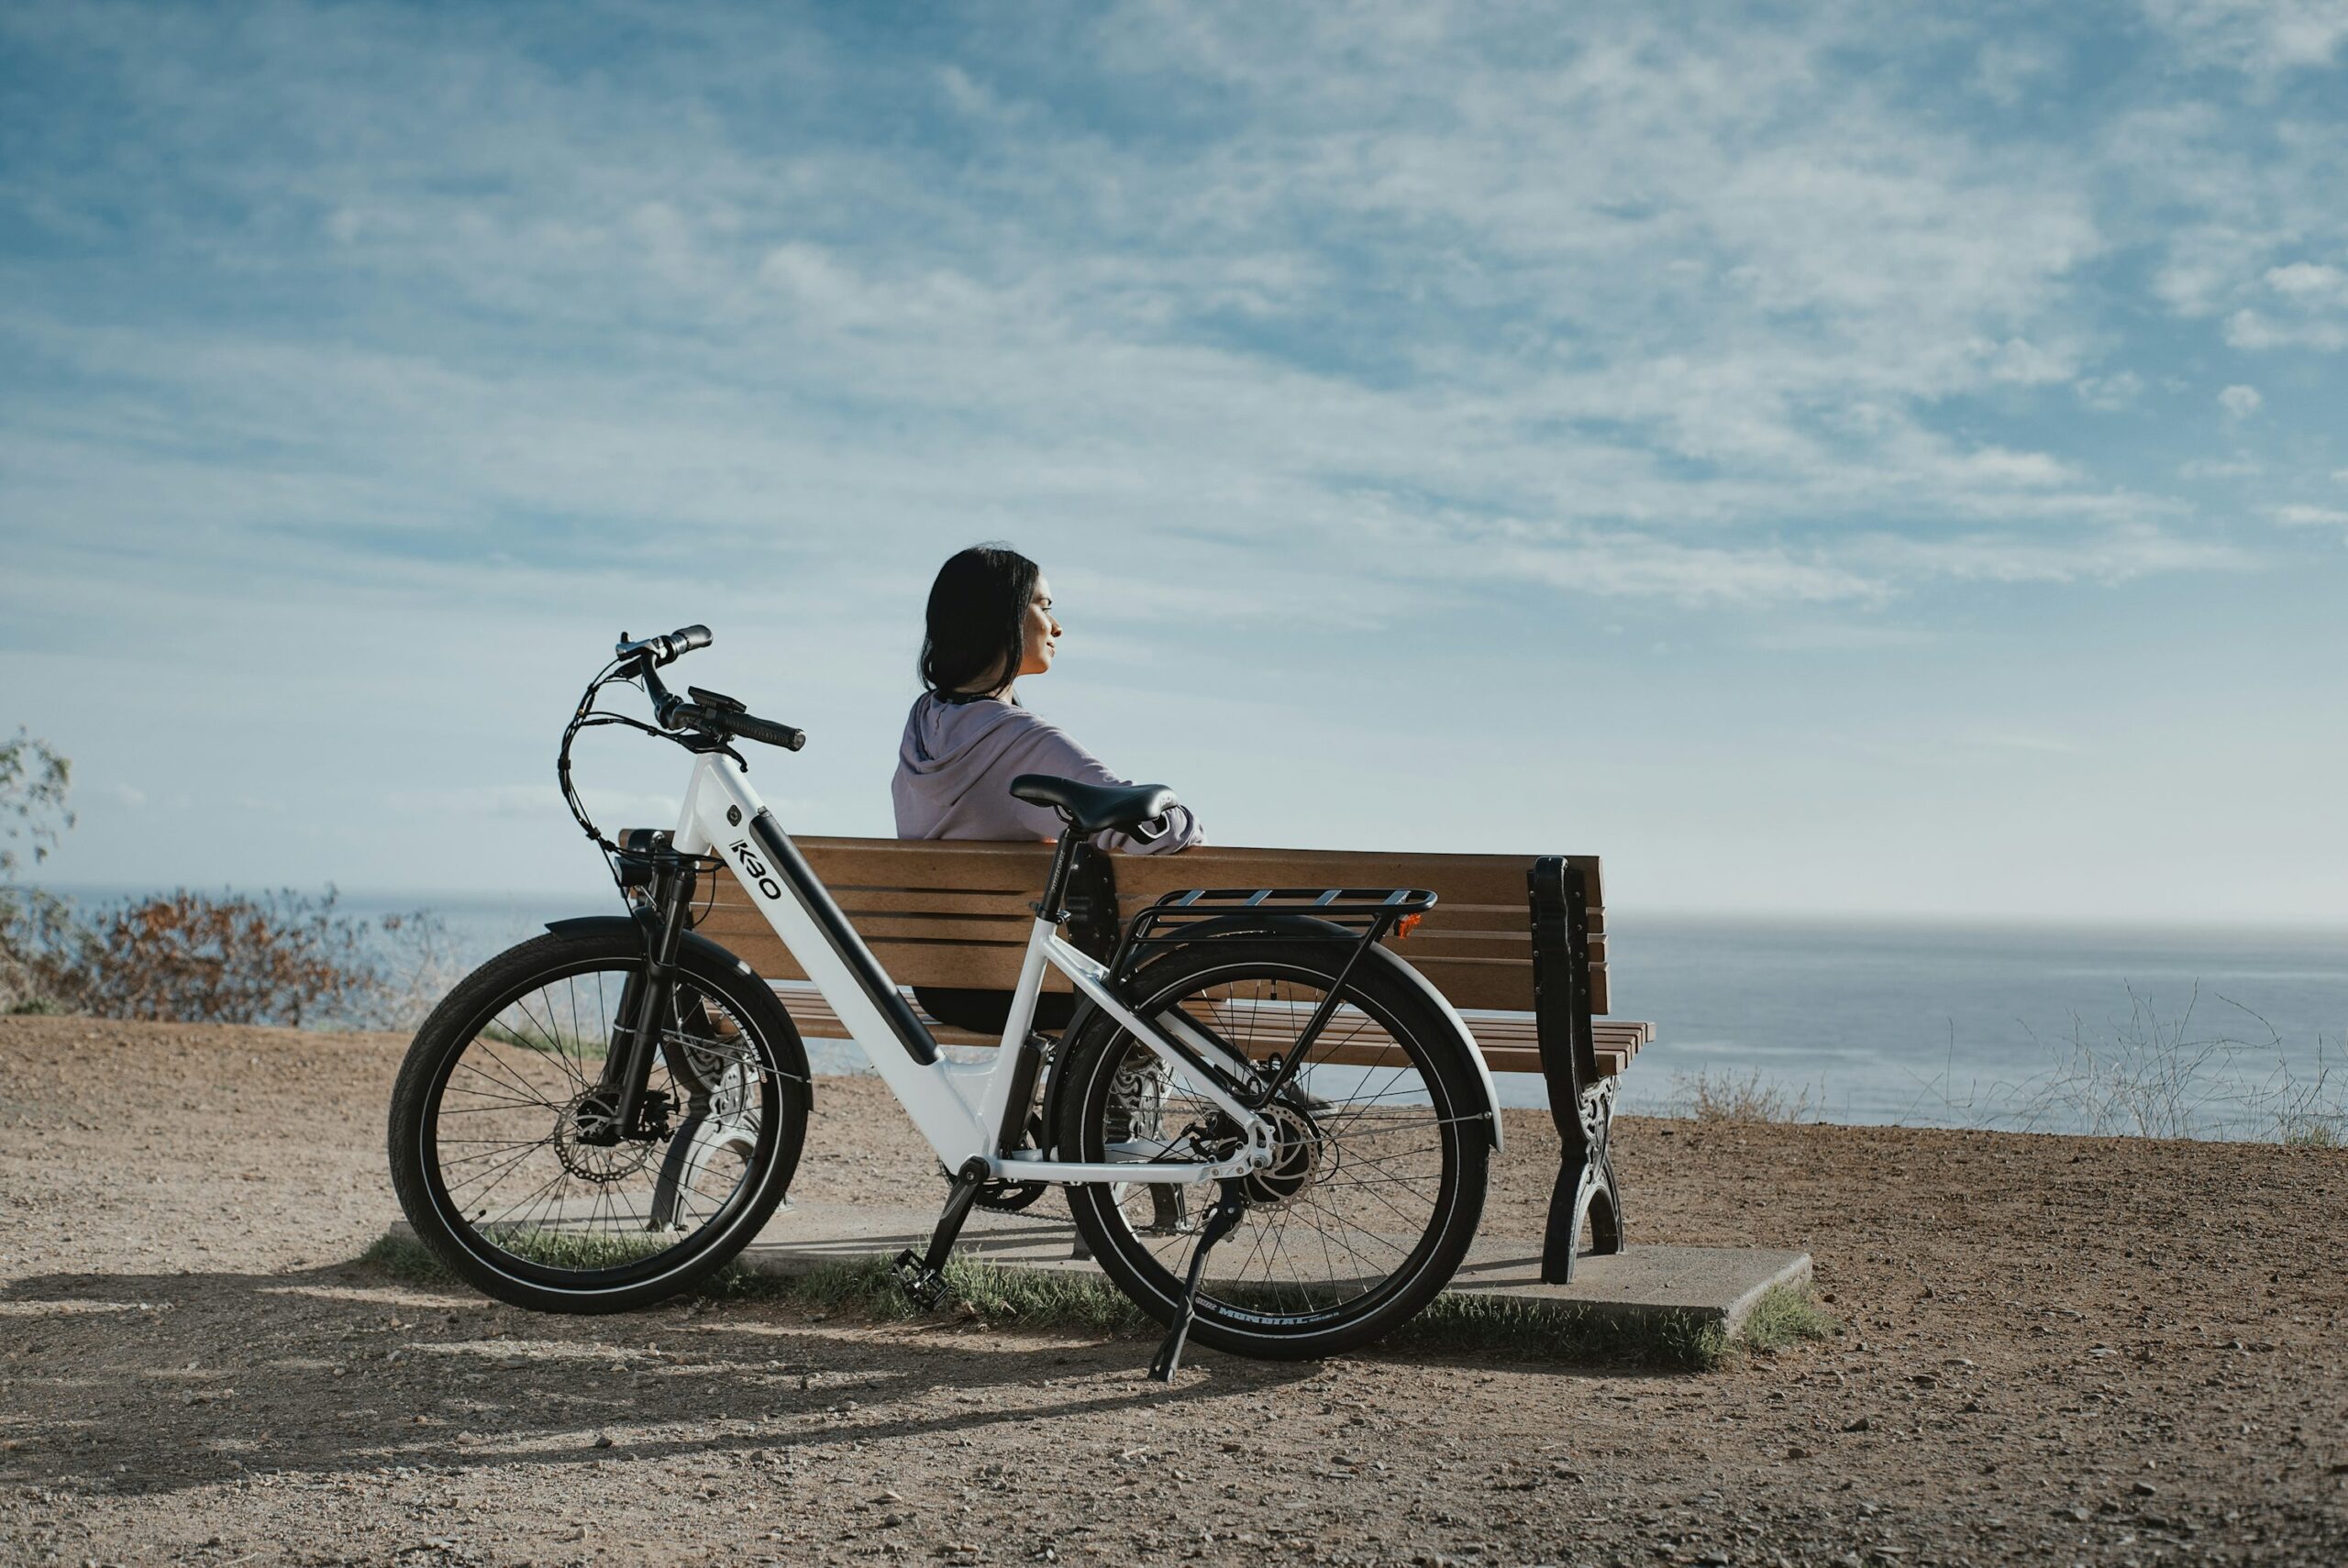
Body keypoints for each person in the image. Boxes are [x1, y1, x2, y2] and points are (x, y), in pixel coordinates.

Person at [893, 543, 1204, 1032]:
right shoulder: (1019, 742)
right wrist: (1183, 818)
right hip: (1034, 985)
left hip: (942, 985)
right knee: (1157, 989)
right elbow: (1150, 831)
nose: (1056, 627)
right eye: (1044, 606)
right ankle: (1130, 1087)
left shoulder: (922, 727)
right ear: (999, 618)